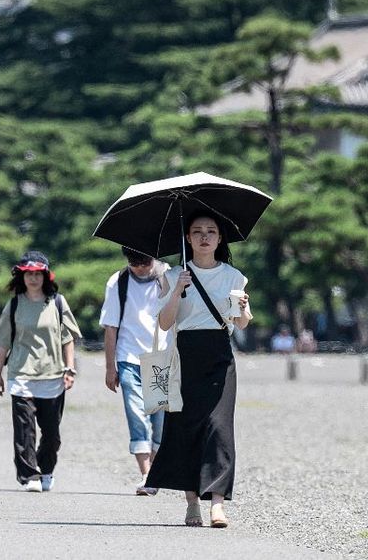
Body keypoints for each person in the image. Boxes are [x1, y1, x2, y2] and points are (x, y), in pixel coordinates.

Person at [145, 212, 251, 528]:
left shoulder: (234, 276)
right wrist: (177, 289)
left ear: (220, 239)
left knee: (219, 429)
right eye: (197, 232)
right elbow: (164, 322)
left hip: (220, 357)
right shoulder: (174, 275)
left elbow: (241, 322)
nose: (204, 236)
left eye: (211, 231)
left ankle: (217, 503)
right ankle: (192, 502)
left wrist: (244, 310)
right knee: (185, 429)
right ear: (188, 239)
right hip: (184, 357)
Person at [0, 251, 81, 492]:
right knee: (24, 430)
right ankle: (29, 475)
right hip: (21, 374)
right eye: (28, 274)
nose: (33, 279)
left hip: (53, 375)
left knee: (51, 433)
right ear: (22, 277)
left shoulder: (57, 303)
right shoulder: (14, 306)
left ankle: (47, 469)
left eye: (38, 274)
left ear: (46, 276)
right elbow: (2, 343)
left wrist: (70, 368)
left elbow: (67, 339)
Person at [99, 246, 171, 496]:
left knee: (160, 419)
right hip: (128, 356)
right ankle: (146, 473)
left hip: (160, 356)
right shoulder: (118, 281)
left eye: (144, 262)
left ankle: (155, 471)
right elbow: (110, 327)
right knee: (136, 414)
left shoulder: (168, 276)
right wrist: (110, 367)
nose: (140, 268)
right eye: (134, 263)